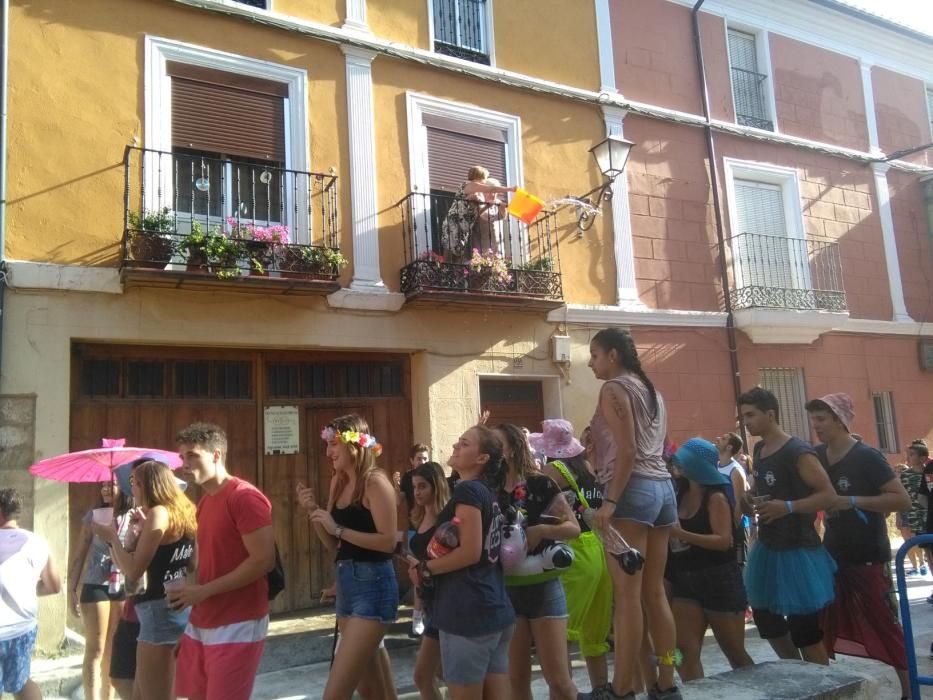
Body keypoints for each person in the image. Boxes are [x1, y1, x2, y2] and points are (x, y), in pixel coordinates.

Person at [584, 327, 680, 700]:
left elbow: (626, 451)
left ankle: (622, 688)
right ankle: (667, 681)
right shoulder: (653, 390)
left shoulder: (614, 389)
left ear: (612, 356)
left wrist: (609, 503)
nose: (591, 363)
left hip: (631, 491)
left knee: (627, 596)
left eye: (594, 355)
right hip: (662, 490)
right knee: (654, 592)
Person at [805, 393, 912, 699]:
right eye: (813, 419)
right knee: (820, 622)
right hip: (831, 553)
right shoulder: (817, 456)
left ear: (840, 420)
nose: (816, 426)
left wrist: (850, 500)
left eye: (822, 419)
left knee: (882, 622)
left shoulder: (867, 456)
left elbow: (900, 499)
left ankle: (908, 689)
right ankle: (826, 687)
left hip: (867, 555)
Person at [168, 423, 275, 700]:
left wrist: (202, 592)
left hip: (238, 621)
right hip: (202, 621)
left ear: (216, 455)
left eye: (192, 455)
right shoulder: (205, 502)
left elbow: (263, 561)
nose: (185, 464)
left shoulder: (244, 497)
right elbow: (206, 565)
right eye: (182, 457)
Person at [409, 424, 515, 700]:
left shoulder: (469, 492)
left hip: (468, 612)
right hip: (493, 606)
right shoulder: (484, 491)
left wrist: (425, 569)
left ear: (482, 459)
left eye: (465, 443)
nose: (456, 446)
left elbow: (470, 552)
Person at [297, 414, 398, 700]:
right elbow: (333, 543)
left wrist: (337, 527)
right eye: (327, 445)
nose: (328, 452)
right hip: (348, 586)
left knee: (335, 693)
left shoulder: (376, 482)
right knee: (375, 693)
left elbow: (388, 542)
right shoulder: (338, 483)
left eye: (333, 444)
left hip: (374, 587)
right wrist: (313, 511)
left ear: (354, 446)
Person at [738, 387, 837, 665]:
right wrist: (749, 497)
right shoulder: (759, 448)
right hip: (769, 548)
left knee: (805, 631)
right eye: (743, 415)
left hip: (798, 550)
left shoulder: (797, 451)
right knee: (766, 620)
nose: (746, 421)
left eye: (751, 415)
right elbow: (763, 486)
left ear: (771, 414)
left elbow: (828, 494)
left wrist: (788, 507)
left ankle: (823, 687)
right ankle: (796, 673)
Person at [91, 460, 196, 700]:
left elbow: (135, 571)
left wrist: (112, 538)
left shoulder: (159, 513)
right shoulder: (186, 510)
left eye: (133, 484)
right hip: (176, 609)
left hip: (157, 612)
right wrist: (133, 538)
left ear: (145, 484)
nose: (132, 490)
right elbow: (192, 564)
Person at [495, 423, 580, 700]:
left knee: (559, 681)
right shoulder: (487, 488)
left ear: (511, 448)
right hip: (506, 591)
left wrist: (542, 530)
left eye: (497, 444)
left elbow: (573, 528)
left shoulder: (540, 482)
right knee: (517, 681)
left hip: (543, 588)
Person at [534, 419, 612, 691]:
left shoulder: (552, 470)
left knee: (561, 639)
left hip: (574, 553)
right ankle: (602, 692)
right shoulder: (588, 468)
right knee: (594, 638)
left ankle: (563, 696)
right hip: (599, 551)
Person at [667, 439, 753, 681]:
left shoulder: (715, 497)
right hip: (686, 579)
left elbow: (723, 540)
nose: (677, 466)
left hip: (719, 579)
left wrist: (682, 535)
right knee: (680, 651)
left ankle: (756, 689)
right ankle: (691, 688)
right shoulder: (679, 491)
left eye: (682, 461)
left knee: (735, 654)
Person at [68, 479, 130, 700]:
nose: (105, 489)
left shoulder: (134, 515)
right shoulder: (93, 516)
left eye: (111, 484)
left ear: (123, 487)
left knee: (113, 651)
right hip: (96, 584)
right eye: (102, 485)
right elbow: (80, 551)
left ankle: (107, 697)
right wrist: (72, 588)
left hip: (123, 583)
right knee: (95, 649)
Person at [0, 488, 61, 700]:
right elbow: (54, 585)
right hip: (22, 629)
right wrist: (24, 587)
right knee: (22, 682)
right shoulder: (38, 542)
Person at [408, 462, 452, 700]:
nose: (417, 492)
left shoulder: (446, 520)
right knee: (438, 673)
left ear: (436, 486)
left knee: (424, 675)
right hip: (430, 603)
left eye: (423, 486)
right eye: (415, 487)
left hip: (446, 603)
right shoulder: (419, 517)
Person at [440, 166, 516, 261]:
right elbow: (491, 189)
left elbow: (477, 213)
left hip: (464, 226)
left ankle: (451, 273)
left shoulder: (477, 192)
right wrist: (510, 189)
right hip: (455, 223)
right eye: (484, 178)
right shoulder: (469, 185)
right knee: (450, 249)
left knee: (457, 251)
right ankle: (444, 271)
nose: (485, 181)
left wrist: (486, 206)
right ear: (479, 177)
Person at [394, 444, 431, 636]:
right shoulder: (408, 478)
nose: (422, 461)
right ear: (412, 460)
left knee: (428, 575)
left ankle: (423, 616)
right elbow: (399, 502)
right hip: (413, 530)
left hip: (431, 529)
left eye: (425, 458)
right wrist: (396, 487)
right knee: (418, 574)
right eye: (419, 458)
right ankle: (417, 617)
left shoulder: (434, 474)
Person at [895, 459, 927, 576]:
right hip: (903, 513)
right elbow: (898, 502)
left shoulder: (912, 481)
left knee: (916, 540)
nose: (899, 473)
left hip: (915, 514)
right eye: (896, 471)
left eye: (902, 470)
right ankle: (915, 567)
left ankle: (923, 564)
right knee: (907, 541)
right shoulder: (896, 487)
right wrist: (898, 516)